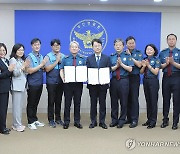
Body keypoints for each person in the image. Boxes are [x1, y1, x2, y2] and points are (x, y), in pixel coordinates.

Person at [60, 41, 86, 129]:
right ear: (69, 48)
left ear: (78, 49)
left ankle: (77, 121)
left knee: (77, 103)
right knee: (67, 103)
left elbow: (85, 70)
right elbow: (61, 70)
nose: (74, 48)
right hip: (68, 84)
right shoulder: (65, 58)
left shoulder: (82, 59)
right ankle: (66, 121)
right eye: (72, 47)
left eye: (76, 47)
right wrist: (63, 78)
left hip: (78, 84)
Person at [109, 38, 133, 128]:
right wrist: (117, 66)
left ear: (123, 46)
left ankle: (122, 120)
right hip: (114, 80)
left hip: (124, 80)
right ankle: (114, 120)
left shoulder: (127, 56)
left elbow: (130, 69)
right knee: (114, 101)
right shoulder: (111, 56)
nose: (118, 46)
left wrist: (121, 64)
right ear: (114, 46)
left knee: (124, 101)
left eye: (120, 45)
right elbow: (109, 69)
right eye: (116, 45)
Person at [87, 38, 110, 129]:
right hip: (92, 85)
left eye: (99, 46)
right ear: (92, 47)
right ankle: (93, 121)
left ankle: (102, 121)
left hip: (103, 85)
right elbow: (87, 71)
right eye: (95, 46)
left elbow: (109, 70)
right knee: (93, 103)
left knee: (102, 103)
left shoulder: (106, 58)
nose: (97, 47)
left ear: (102, 46)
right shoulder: (89, 59)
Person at [159, 33, 180, 130]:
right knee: (166, 99)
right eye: (169, 39)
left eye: (173, 39)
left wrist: (173, 63)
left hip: (177, 77)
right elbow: (159, 66)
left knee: (176, 100)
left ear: (176, 41)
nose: (171, 41)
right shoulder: (163, 53)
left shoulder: (179, 52)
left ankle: (175, 122)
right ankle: (165, 120)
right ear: (167, 41)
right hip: (166, 77)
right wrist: (166, 64)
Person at [26, 38, 47, 130]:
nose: (37, 46)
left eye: (38, 44)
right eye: (35, 45)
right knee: (31, 103)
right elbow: (29, 71)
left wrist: (43, 67)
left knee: (36, 103)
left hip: (39, 83)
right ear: (32, 46)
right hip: (32, 84)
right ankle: (30, 122)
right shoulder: (29, 57)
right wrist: (41, 65)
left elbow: (42, 68)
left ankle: (34, 119)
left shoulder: (41, 56)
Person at [44, 39, 65, 128]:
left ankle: (58, 118)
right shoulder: (48, 56)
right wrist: (56, 61)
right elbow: (47, 69)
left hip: (61, 82)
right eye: (55, 45)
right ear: (52, 46)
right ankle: (51, 119)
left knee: (59, 100)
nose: (57, 47)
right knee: (51, 101)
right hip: (51, 82)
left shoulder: (63, 56)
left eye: (58, 45)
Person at [9, 43, 29, 132]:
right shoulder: (13, 60)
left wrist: (25, 68)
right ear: (15, 51)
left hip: (22, 86)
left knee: (20, 106)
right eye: (19, 50)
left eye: (22, 50)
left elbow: (24, 73)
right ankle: (16, 125)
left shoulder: (21, 60)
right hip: (16, 86)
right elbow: (15, 73)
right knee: (16, 107)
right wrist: (23, 67)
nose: (21, 52)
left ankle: (17, 123)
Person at [140, 44, 160, 129]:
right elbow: (141, 72)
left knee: (153, 101)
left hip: (153, 81)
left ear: (154, 51)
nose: (149, 51)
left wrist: (148, 66)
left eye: (151, 49)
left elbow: (156, 72)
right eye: (147, 49)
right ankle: (149, 119)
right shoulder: (144, 60)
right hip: (146, 80)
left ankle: (153, 121)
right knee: (148, 100)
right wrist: (144, 66)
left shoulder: (157, 60)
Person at [125, 36, 142, 128]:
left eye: (133, 43)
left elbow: (139, 65)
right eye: (129, 43)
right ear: (126, 44)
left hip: (134, 78)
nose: (131, 45)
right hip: (125, 78)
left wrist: (130, 57)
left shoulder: (138, 53)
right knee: (126, 98)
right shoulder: (123, 53)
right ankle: (128, 118)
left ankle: (135, 119)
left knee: (134, 98)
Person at [0, 43, 15, 135]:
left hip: (5, 88)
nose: (2, 52)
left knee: (3, 108)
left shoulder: (6, 60)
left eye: (3, 50)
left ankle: (3, 126)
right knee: (2, 109)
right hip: (1, 89)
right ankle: (2, 128)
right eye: (0, 50)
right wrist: (9, 70)